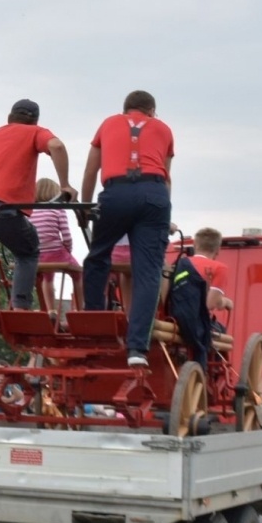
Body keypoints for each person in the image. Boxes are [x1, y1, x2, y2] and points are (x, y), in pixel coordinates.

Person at [0, 98, 74, 363]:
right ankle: (20, 305)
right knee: (29, 248)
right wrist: (65, 185)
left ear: (10, 118)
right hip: (0, 207)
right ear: (34, 121)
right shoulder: (34, 132)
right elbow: (56, 145)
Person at [81, 90, 176, 367]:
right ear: (152, 111)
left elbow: (90, 170)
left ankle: (94, 326)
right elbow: (166, 177)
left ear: (125, 109)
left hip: (116, 192)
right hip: (153, 195)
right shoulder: (164, 129)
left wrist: (86, 206)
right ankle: (137, 350)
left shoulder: (108, 123)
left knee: (98, 257)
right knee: (147, 271)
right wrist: (162, 212)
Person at [32, 177, 80, 312]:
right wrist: (68, 251)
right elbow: (67, 237)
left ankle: (50, 310)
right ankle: (80, 308)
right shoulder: (58, 210)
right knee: (78, 274)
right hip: (57, 253)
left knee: (47, 279)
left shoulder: (29, 212)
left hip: (39, 255)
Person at [190, 227, 234, 327]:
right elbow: (211, 303)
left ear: (195, 245)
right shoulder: (219, 268)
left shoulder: (181, 263)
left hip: (173, 319)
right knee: (221, 332)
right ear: (218, 250)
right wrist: (226, 302)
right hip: (198, 324)